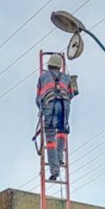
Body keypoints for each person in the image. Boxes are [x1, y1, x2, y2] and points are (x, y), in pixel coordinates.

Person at [35, 53, 78, 181]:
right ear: (60, 66)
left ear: (49, 65)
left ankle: (54, 170)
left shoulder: (43, 77)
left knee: (50, 138)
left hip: (50, 106)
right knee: (62, 132)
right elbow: (72, 94)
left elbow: (38, 98)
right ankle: (59, 158)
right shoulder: (66, 77)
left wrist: (41, 110)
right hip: (64, 106)